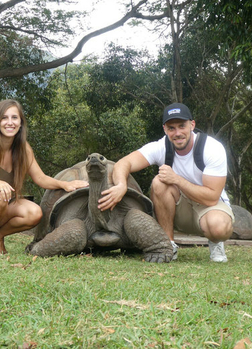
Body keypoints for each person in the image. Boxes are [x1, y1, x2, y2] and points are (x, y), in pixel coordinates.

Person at [98, 102, 234, 262]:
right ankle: (168, 245)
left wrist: (177, 179)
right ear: (165, 129)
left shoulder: (211, 148)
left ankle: (216, 243)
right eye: (171, 128)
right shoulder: (161, 147)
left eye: (182, 126)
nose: (177, 133)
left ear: (192, 125)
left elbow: (211, 197)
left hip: (209, 207)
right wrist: (121, 185)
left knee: (219, 228)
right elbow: (123, 163)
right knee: (159, 182)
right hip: (178, 208)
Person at [0, 99, 89, 255]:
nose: (10, 122)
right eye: (4, 118)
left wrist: (64, 184)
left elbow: (40, 178)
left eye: (14, 117)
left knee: (35, 213)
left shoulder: (23, 150)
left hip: (3, 203)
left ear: (21, 122)